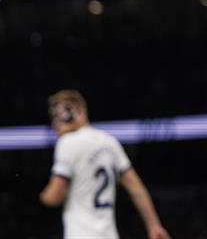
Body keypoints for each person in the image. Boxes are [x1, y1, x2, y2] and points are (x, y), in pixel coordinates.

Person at [39, 90, 171, 239]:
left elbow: (54, 196)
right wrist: (154, 225)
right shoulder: (109, 142)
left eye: (61, 114)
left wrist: (41, 198)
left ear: (79, 112)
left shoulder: (67, 143)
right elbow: (136, 187)